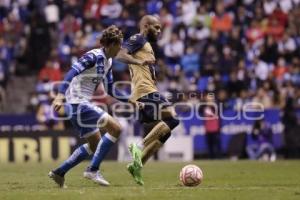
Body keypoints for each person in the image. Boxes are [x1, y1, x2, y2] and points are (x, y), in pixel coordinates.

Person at [48, 25, 137, 188]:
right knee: (116, 128)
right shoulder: (93, 56)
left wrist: (130, 100)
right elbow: (71, 72)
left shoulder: (108, 62)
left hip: (82, 104)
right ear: (111, 45)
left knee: (95, 142)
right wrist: (59, 96)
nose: (121, 48)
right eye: (119, 44)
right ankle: (93, 170)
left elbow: (110, 89)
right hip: (78, 103)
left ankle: (59, 172)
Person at [117, 15, 180, 185]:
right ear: (146, 26)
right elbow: (120, 55)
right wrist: (140, 60)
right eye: (156, 27)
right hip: (145, 90)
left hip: (147, 90)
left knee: (166, 130)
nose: (159, 32)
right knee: (173, 118)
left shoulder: (146, 44)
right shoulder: (137, 39)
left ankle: (138, 165)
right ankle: (138, 147)